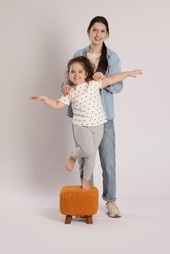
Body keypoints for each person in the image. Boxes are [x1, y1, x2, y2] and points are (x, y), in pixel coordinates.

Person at [30, 56, 142, 192]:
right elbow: (57, 104)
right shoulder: (70, 91)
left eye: (80, 71)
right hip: (81, 125)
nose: (76, 74)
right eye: (72, 72)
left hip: (98, 125)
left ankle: (86, 182)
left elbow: (112, 79)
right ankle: (73, 156)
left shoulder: (94, 84)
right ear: (68, 74)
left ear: (86, 73)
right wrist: (44, 99)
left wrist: (129, 73)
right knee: (87, 149)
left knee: (91, 156)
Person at [62, 16, 125, 218]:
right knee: (86, 157)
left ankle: (111, 202)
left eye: (102, 31)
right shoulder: (78, 54)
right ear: (88, 31)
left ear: (107, 34)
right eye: (94, 30)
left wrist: (105, 79)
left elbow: (118, 86)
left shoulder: (112, 58)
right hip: (81, 118)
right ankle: (87, 200)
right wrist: (63, 87)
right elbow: (69, 81)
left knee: (108, 161)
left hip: (104, 118)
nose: (98, 34)